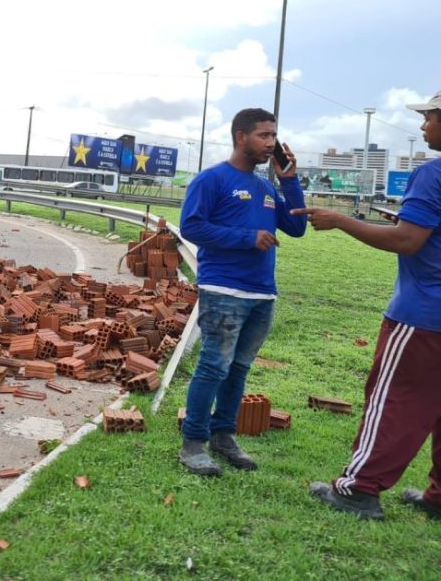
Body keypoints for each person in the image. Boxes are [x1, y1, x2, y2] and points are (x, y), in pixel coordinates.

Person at [295, 90, 441, 521]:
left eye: (429, 117)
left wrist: (341, 220)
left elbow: (408, 240)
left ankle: (359, 489)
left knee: (396, 401)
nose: (422, 126)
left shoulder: (433, 175)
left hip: (424, 318)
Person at [178, 108, 308, 475]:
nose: (271, 143)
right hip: (223, 289)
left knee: (238, 369)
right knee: (213, 366)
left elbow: (297, 229)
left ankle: (223, 436)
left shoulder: (267, 187)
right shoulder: (212, 180)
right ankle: (193, 443)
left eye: (273, 136)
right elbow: (192, 227)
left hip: (262, 294)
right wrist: (247, 238)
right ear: (241, 137)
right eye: (264, 136)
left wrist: (290, 181)